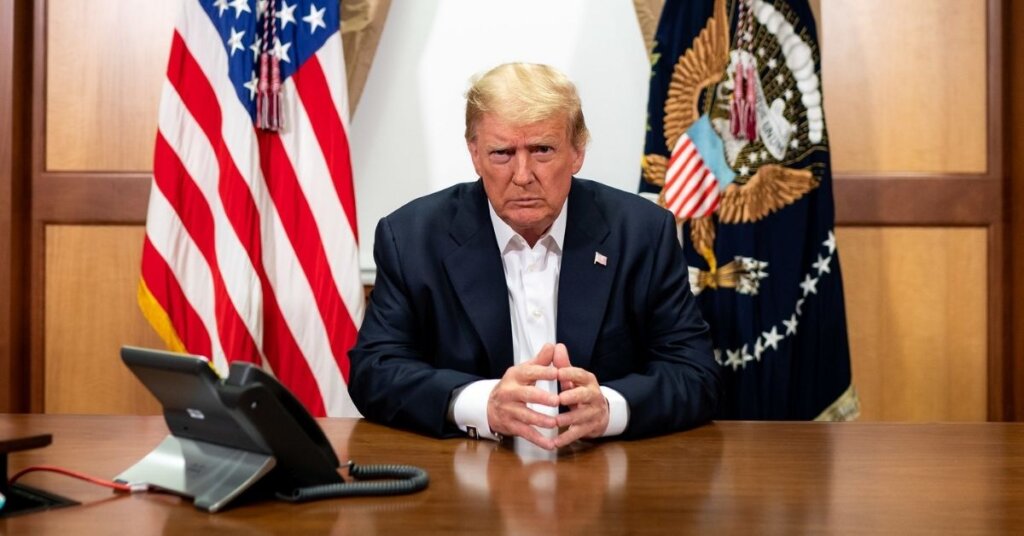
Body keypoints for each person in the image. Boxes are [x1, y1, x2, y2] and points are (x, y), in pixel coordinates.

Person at [349, 62, 720, 450]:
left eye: (542, 150)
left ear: (578, 151)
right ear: (474, 153)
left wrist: (608, 408)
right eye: (502, 153)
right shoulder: (412, 237)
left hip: (603, 478)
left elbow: (695, 374)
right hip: (470, 480)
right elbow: (375, 372)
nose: (523, 174)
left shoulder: (642, 233)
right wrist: (481, 403)